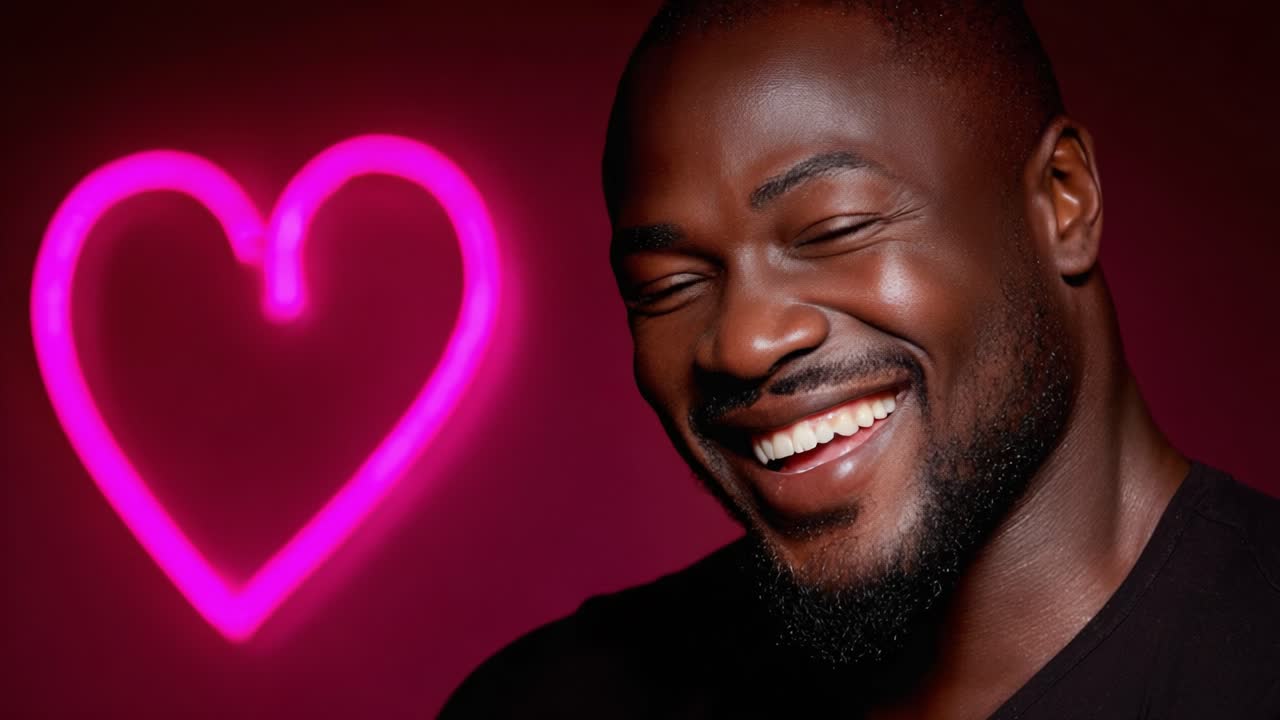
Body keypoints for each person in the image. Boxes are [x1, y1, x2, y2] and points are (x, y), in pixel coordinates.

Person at [441, 1, 1280, 717]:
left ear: (1063, 201)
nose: (742, 341)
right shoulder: (550, 702)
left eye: (834, 230)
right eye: (668, 285)